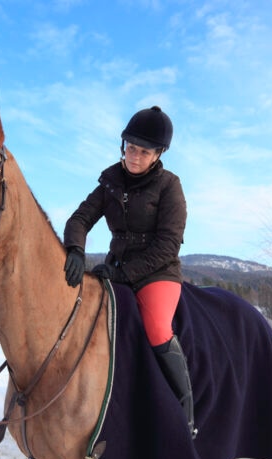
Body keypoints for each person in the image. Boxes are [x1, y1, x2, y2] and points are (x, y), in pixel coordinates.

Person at [62, 106, 194, 437]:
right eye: (130, 148)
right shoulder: (110, 180)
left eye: (143, 151)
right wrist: (76, 249)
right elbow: (79, 219)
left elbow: (168, 245)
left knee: (156, 328)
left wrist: (124, 273)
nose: (134, 156)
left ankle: (185, 413)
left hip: (158, 273)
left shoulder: (169, 186)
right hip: (115, 268)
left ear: (158, 154)